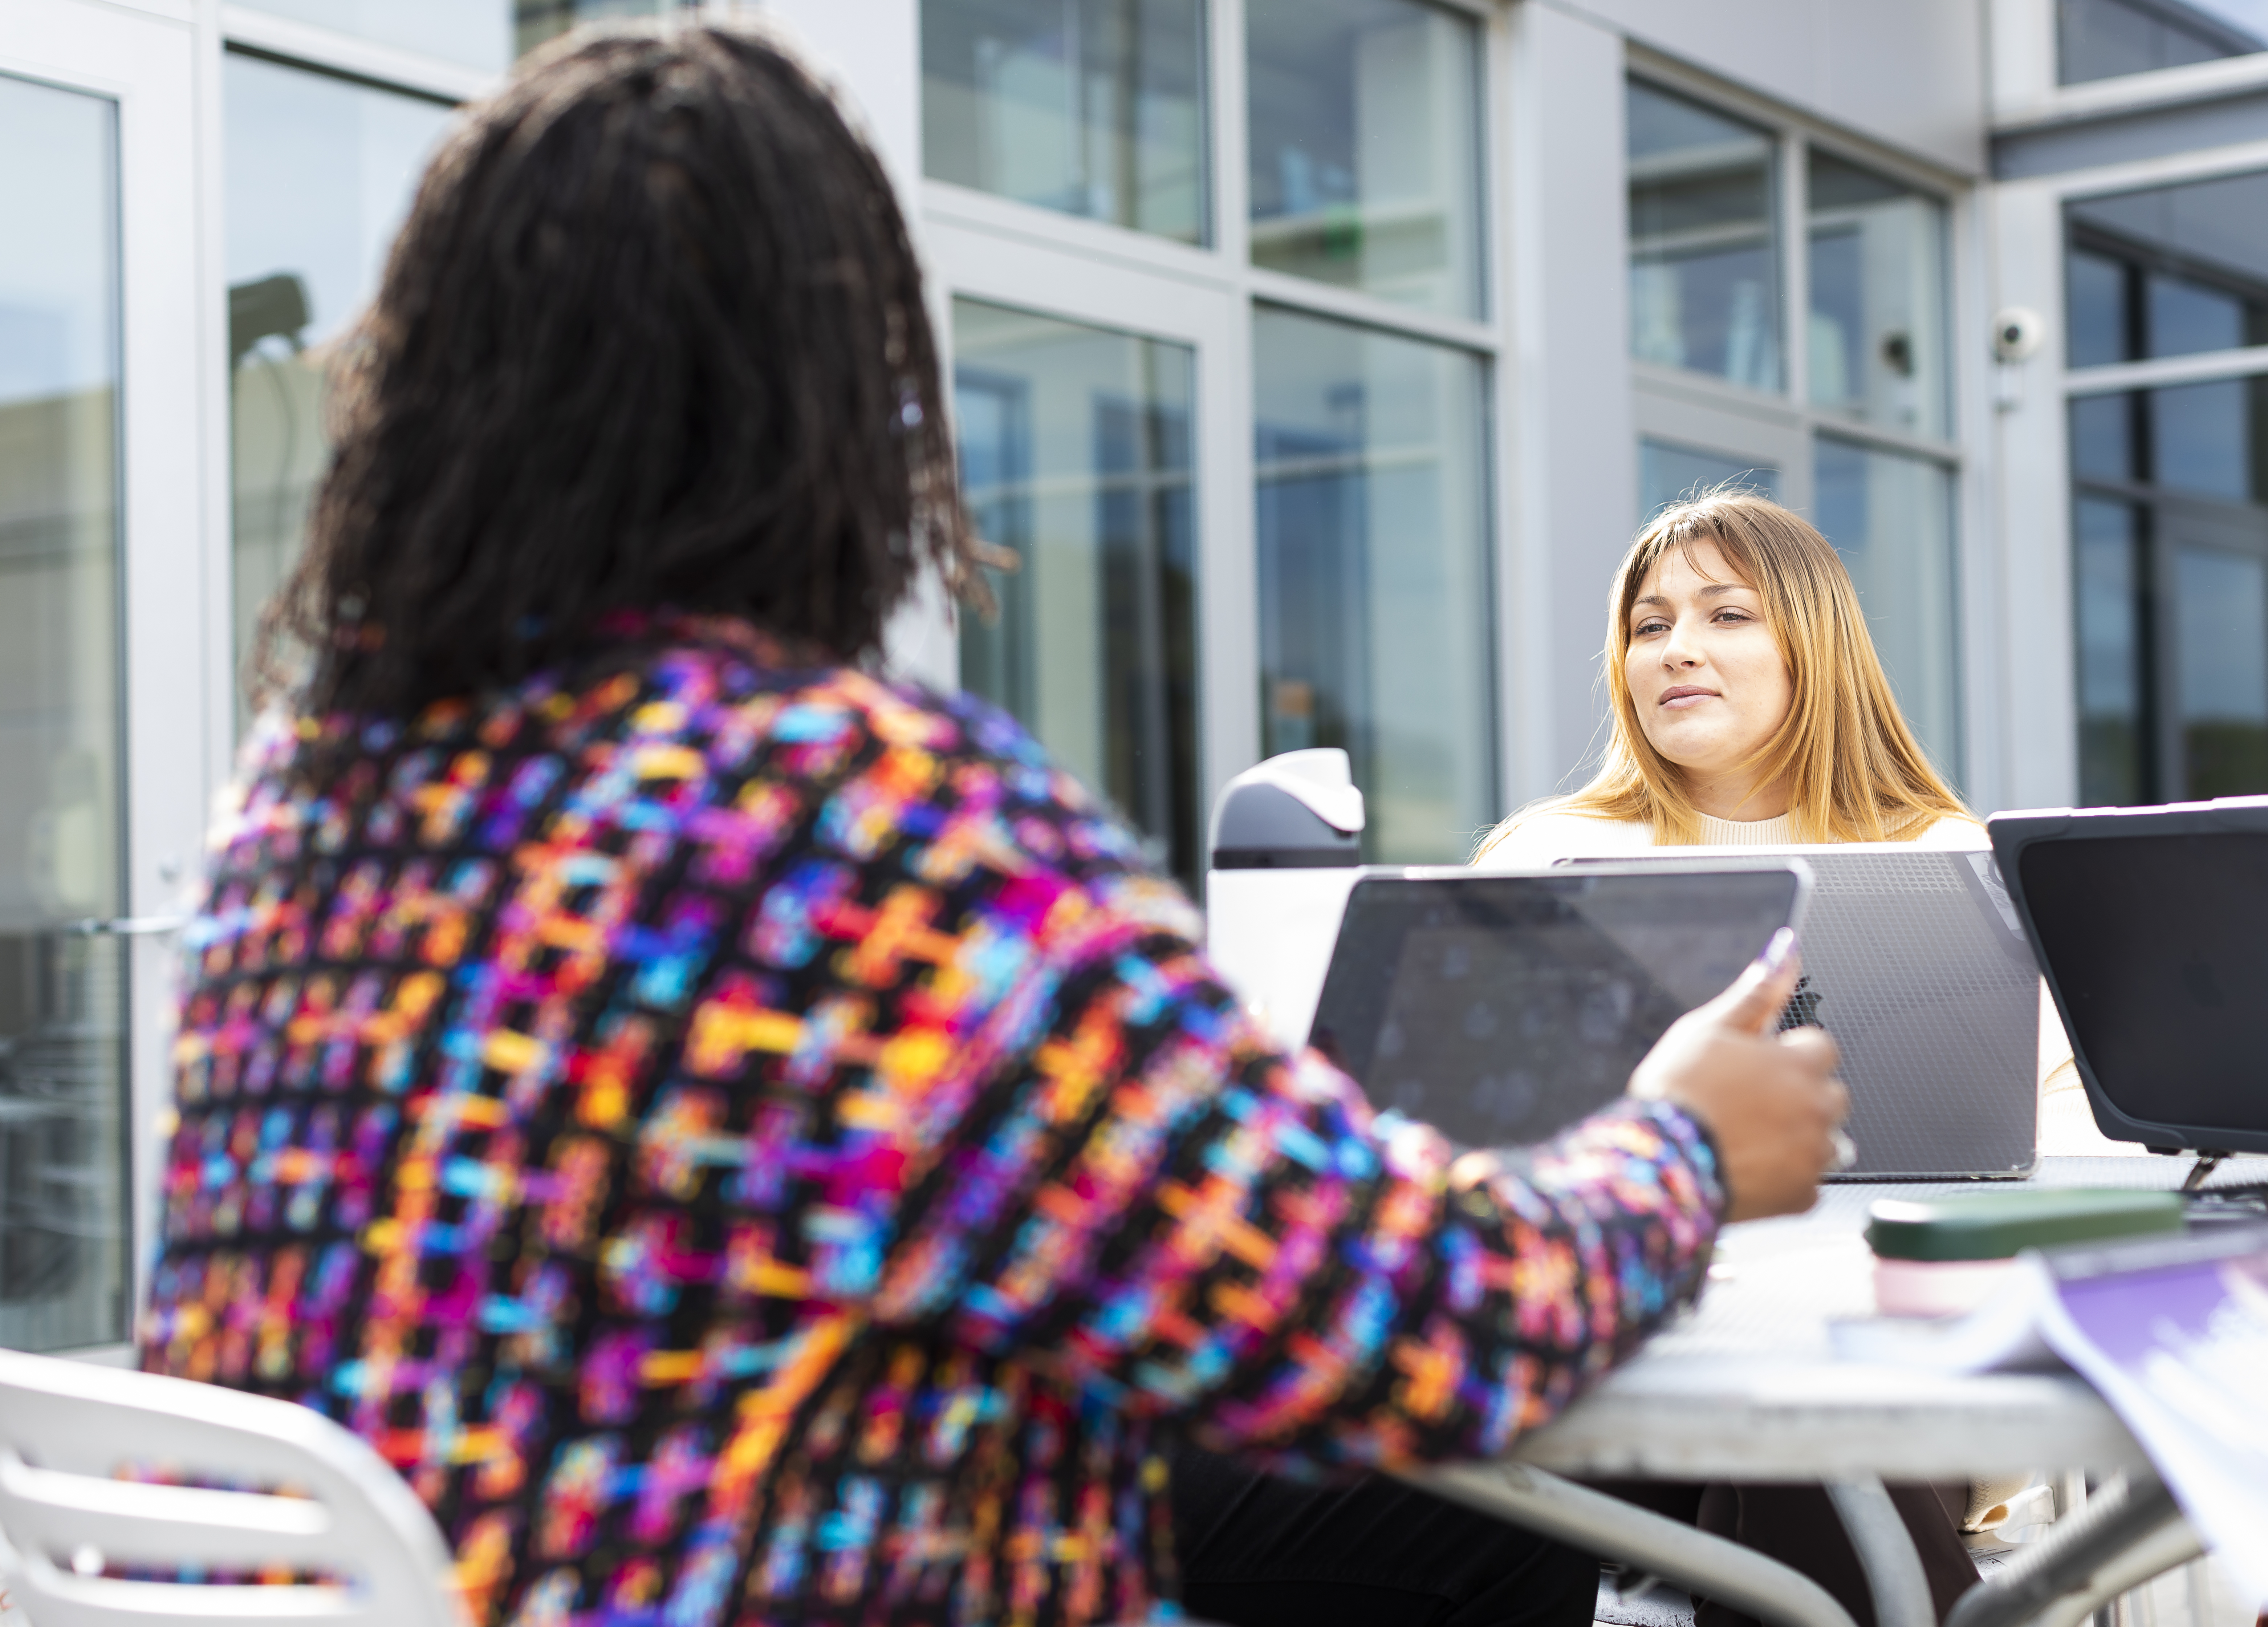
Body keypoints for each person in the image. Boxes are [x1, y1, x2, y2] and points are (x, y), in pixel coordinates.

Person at [137, 23, 1850, 1627]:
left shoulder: (298, 812)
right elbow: (1409, 1315)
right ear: (832, 399)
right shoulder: (849, 815)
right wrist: (1686, 1143)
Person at [1478, 489, 2079, 1627]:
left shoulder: (1949, 864)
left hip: (1877, 1353)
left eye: (1725, 616)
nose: (1678, 651)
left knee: (1813, 1427)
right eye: (1649, 627)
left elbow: (2060, 1131)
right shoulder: (1549, 857)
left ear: (1815, 642)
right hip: (1613, 1350)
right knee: (1806, 1440)